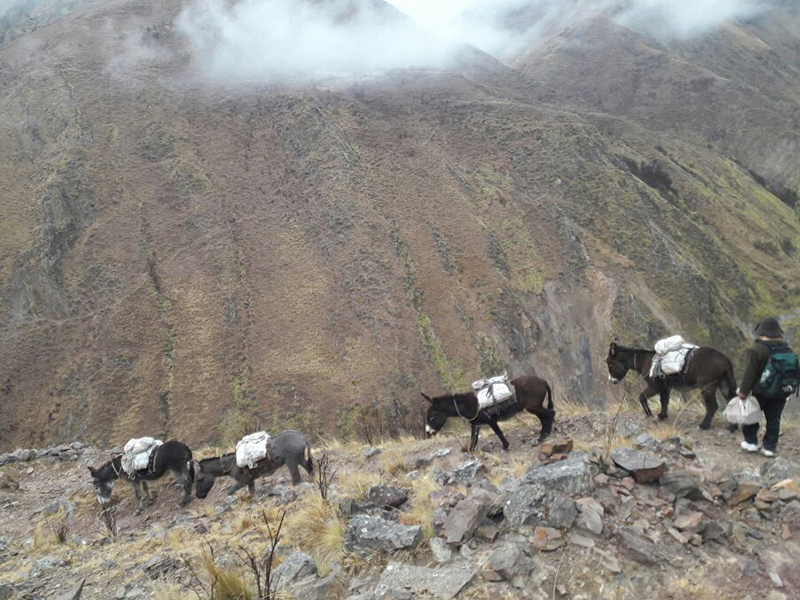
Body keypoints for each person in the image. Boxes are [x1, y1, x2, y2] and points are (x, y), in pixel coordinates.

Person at [738, 317, 798, 457]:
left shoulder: (757, 348)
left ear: (761, 331)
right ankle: (769, 447)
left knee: (753, 416)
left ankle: (751, 442)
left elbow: (750, 372)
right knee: (774, 419)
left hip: (761, 391)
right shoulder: (786, 348)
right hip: (781, 392)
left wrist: (743, 392)